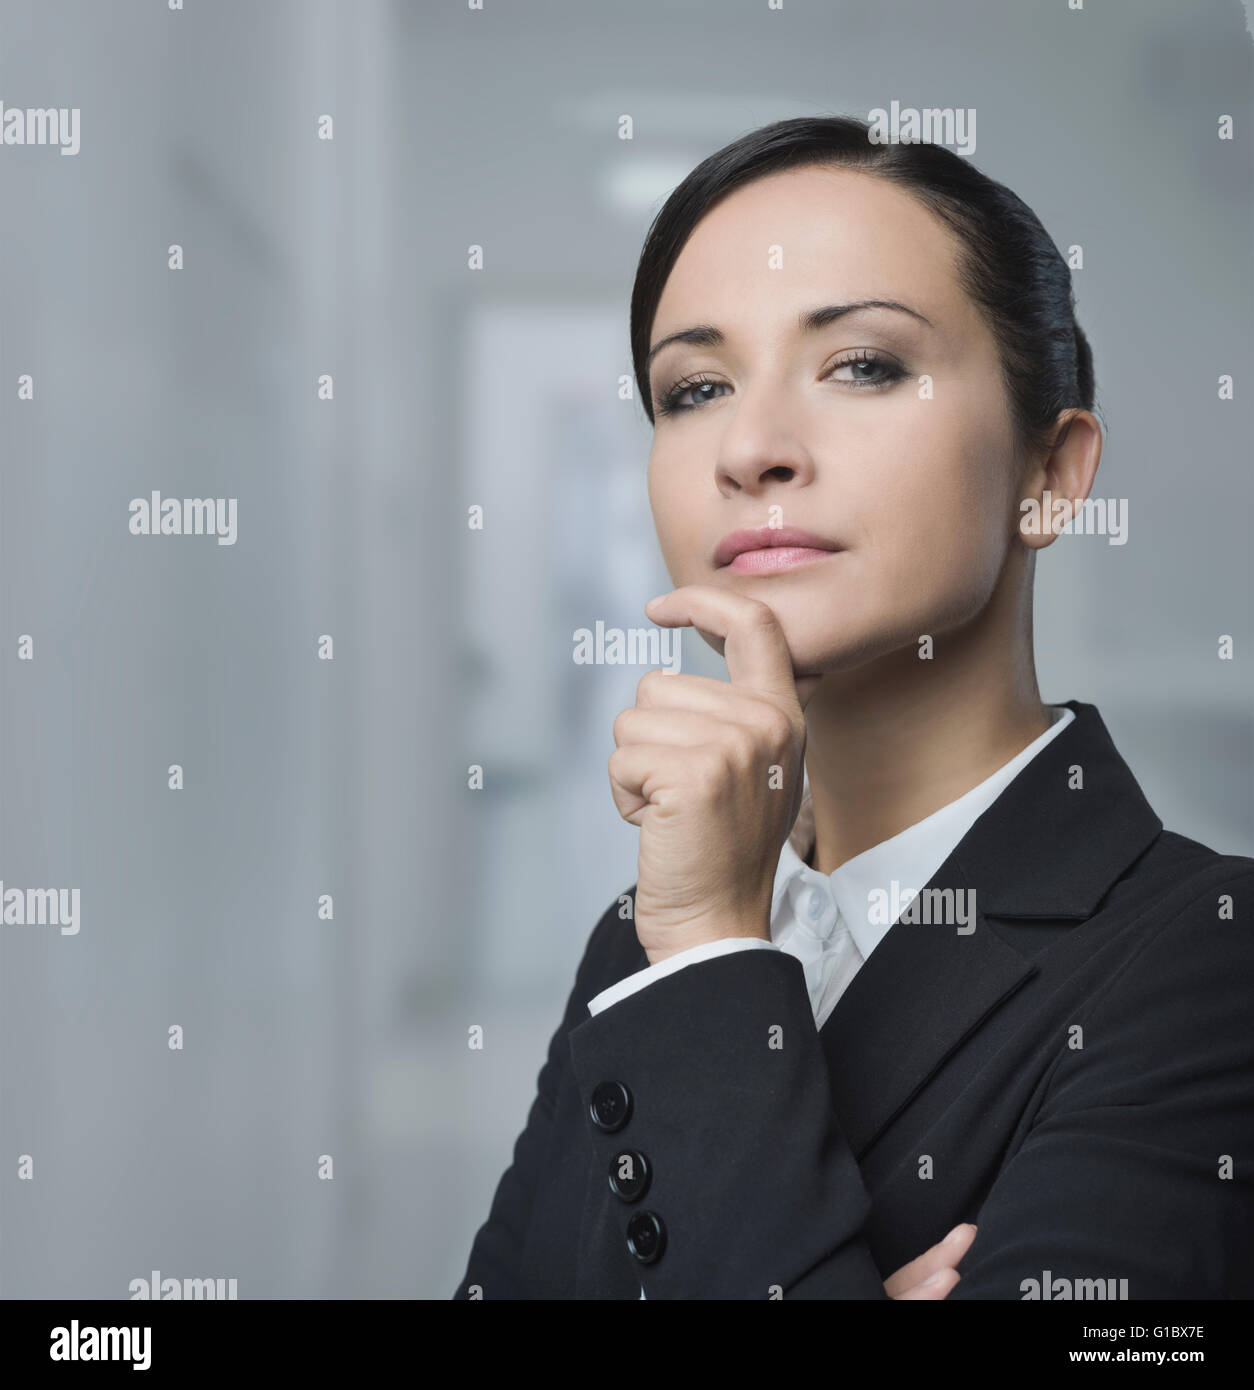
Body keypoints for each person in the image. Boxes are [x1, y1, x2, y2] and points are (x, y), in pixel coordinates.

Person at [453, 115, 1254, 1300]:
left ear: (1051, 473)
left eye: (863, 365)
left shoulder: (1212, 958)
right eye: (696, 387)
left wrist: (721, 957)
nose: (752, 447)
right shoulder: (646, 934)